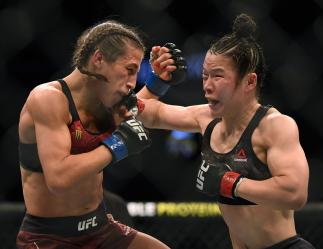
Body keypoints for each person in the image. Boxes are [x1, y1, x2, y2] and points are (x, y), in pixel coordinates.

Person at [137, 14, 315, 249]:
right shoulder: (206, 118)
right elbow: (145, 113)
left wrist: (230, 183)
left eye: (218, 76)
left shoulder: (274, 125)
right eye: (204, 76)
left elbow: (295, 193)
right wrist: (156, 82)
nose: (207, 86)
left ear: (249, 82)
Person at [16, 19, 186, 249]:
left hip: (100, 229)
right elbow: (59, 178)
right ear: (98, 59)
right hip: (50, 238)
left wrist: (157, 84)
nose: (132, 83)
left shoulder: (105, 99)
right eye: (129, 70)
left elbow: (138, 109)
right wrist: (118, 145)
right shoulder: (48, 99)